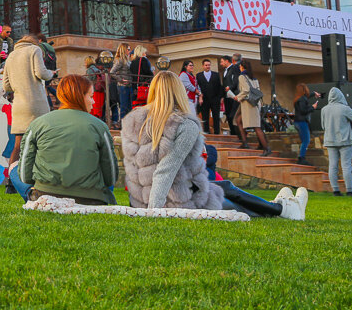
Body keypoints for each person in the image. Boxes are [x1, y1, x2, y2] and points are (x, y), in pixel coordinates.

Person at [120, 71, 307, 219]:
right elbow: (166, 169)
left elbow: (134, 169)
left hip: (142, 199)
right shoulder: (183, 124)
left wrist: (141, 205)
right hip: (169, 201)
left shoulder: (133, 121)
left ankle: (277, 206)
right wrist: (153, 210)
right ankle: (283, 209)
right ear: (179, 92)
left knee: (224, 186)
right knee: (228, 201)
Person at [8, 75, 118, 204]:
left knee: (14, 166)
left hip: (45, 196)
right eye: (91, 96)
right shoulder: (100, 127)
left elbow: (25, 175)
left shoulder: (37, 124)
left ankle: (33, 198)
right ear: (79, 96)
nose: (93, 102)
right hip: (90, 199)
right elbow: (111, 177)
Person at [2, 33, 56, 166]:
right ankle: (40, 178)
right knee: (41, 141)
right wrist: (51, 73)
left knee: (18, 145)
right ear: (36, 42)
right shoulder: (34, 50)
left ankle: (11, 182)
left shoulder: (11, 55)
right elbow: (41, 73)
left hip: (19, 105)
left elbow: (6, 85)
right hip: (35, 103)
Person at [321, 87, 352, 196]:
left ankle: (335, 190)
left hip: (330, 140)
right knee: (346, 166)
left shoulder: (324, 109)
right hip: (345, 140)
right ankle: (349, 190)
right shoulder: (345, 108)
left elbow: (323, 126)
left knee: (332, 165)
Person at [228, 59, 270, 156]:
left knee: (256, 127)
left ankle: (266, 148)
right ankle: (245, 143)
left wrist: (237, 97)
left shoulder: (242, 76)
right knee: (238, 120)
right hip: (255, 103)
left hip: (248, 104)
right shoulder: (253, 78)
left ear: (242, 67)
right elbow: (257, 90)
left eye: (240, 66)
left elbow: (246, 90)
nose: (239, 68)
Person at [220, 55, 245, 143]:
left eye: (222, 61)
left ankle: (238, 136)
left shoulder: (234, 68)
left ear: (227, 61)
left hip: (234, 95)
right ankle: (233, 135)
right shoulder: (225, 71)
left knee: (233, 116)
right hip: (227, 96)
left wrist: (230, 87)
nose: (221, 63)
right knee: (229, 116)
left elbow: (236, 81)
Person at [292, 83, 318, 164]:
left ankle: (301, 157)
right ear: (304, 90)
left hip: (297, 122)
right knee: (306, 140)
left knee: (304, 140)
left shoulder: (298, 98)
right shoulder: (302, 99)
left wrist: (314, 94)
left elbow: (305, 98)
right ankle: (301, 158)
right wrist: (312, 107)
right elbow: (303, 110)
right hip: (302, 122)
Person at [195, 59, 223, 134]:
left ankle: (217, 133)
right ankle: (207, 133)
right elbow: (197, 87)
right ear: (203, 66)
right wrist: (200, 97)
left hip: (215, 99)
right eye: (206, 65)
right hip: (204, 100)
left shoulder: (216, 74)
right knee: (205, 117)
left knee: (216, 117)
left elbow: (219, 87)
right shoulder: (199, 75)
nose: (208, 66)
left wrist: (220, 98)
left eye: (209, 65)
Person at [109, 42, 134, 126]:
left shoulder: (127, 59)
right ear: (124, 49)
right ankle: (123, 124)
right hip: (123, 86)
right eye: (128, 49)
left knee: (129, 106)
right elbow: (112, 72)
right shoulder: (120, 60)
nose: (130, 51)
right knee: (124, 106)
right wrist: (121, 80)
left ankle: (127, 124)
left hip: (129, 85)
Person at [129, 45, 154, 110]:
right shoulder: (144, 60)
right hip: (143, 87)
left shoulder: (132, 62)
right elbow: (148, 72)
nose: (145, 54)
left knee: (136, 106)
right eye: (144, 52)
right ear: (141, 52)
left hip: (135, 88)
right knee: (145, 105)